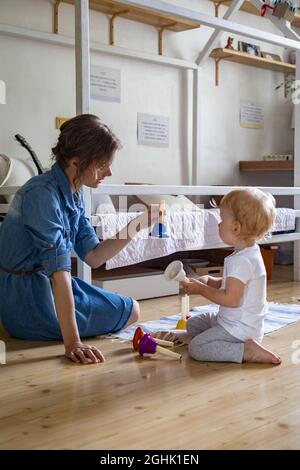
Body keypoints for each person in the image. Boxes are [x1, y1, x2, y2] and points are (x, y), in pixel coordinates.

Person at [0, 114, 157, 365]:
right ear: (76, 162)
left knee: (131, 309)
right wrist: (73, 343)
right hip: (28, 298)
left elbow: (93, 256)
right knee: (128, 311)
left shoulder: (74, 192)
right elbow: (59, 273)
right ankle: (49, 327)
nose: (109, 171)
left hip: (50, 285)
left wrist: (137, 224)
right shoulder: (41, 194)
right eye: (102, 164)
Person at [157, 188, 282, 365]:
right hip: (232, 321)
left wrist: (201, 289)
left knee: (197, 349)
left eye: (222, 220)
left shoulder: (242, 261)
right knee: (193, 324)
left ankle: (245, 351)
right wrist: (210, 281)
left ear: (236, 227)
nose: (218, 224)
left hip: (239, 330)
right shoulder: (246, 254)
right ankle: (213, 339)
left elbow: (230, 299)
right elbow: (233, 286)